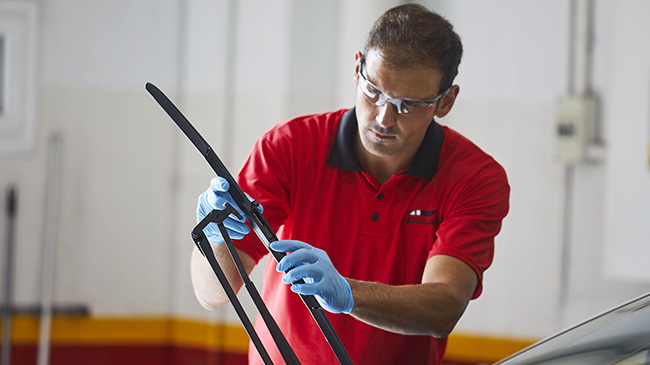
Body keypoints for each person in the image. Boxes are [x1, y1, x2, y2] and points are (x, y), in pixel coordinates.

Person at [191, 3, 509, 364]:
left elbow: (444, 307)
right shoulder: (289, 147)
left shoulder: (475, 178)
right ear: (357, 68)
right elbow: (213, 294)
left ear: (445, 101)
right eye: (374, 91)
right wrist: (216, 237)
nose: (383, 118)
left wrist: (347, 293)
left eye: (408, 105)